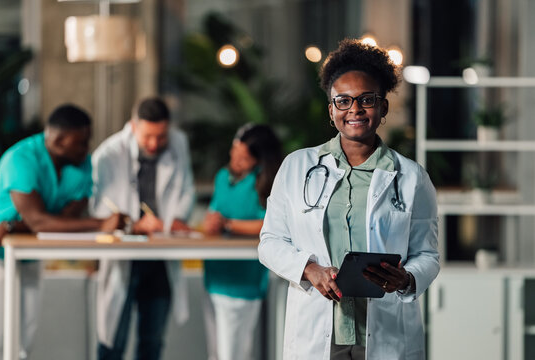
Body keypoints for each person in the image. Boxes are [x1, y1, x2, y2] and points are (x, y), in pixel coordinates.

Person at [258, 38, 440, 360]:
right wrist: (308, 269)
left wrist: (407, 278)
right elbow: (270, 242)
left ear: (383, 107)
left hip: (384, 330)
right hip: (318, 329)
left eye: (366, 99)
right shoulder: (298, 167)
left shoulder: (411, 177)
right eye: (343, 101)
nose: (354, 110)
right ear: (332, 110)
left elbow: (427, 254)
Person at [0, 104, 126, 360]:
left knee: (24, 339)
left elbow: (64, 218)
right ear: (58, 140)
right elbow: (42, 223)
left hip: (31, 255)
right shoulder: (20, 159)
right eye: (80, 143)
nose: (87, 149)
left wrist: (18, 225)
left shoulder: (82, 164)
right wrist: (101, 223)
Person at [90, 96, 195, 360]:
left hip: (160, 257)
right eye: (148, 136)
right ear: (133, 126)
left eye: (161, 137)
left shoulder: (178, 142)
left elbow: (186, 190)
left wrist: (173, 221)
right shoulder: (109, 153)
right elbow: (98, 209)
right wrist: (133, 224)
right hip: (124, 254)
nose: (154, 144)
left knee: (152, 342)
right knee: (113, 340)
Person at [202, 124, 282, 360]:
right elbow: (212, 213)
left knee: (233, 354)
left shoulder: (264, 183)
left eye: (243, 158)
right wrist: (212, 223)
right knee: (216, 354)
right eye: (233, 153)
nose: (235, 161)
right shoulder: (222, 177)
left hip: (242, 283)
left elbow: (268, 225)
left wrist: (227, 224)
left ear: (259, 160)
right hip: (214, 278)